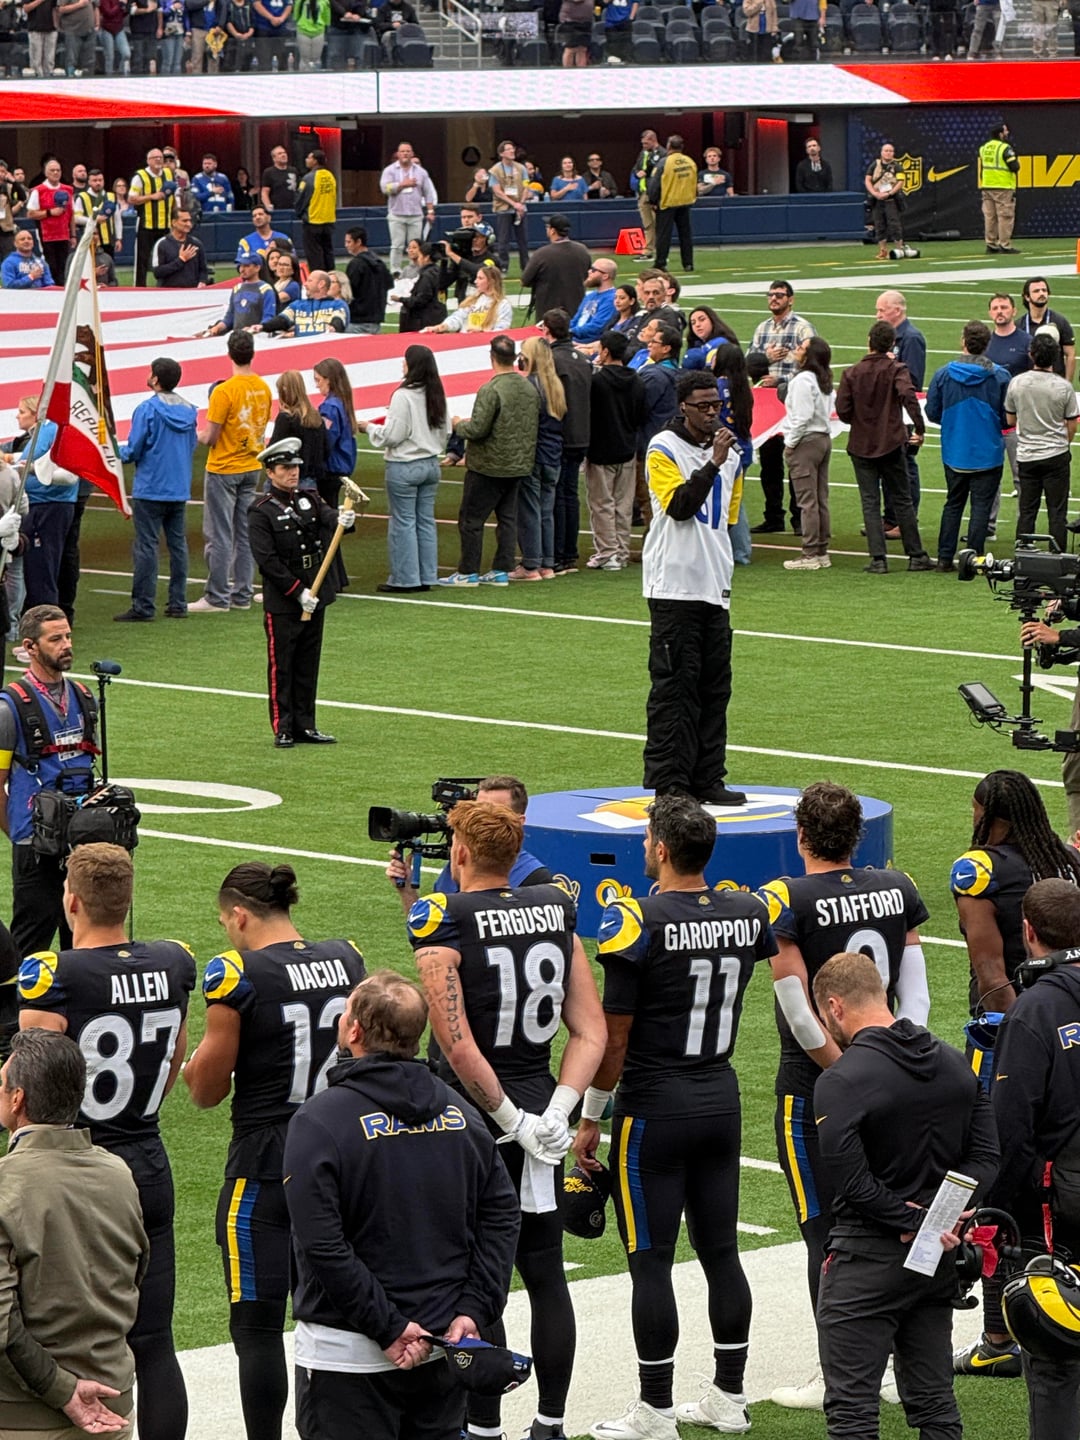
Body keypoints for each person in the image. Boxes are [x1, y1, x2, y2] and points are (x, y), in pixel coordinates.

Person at [407, 797, 606, 1440]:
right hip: (540, 1097)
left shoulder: (444, 915)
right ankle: (551, 1424)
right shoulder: (554, 907)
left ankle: (485, 1427)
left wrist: (510, 1120)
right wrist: (557, 1110)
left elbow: (457, 1042)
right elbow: (591, 1030)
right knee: (545, 1273)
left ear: (460, 852)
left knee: (475, 1274)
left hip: (470, 1113)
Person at [578, 794, 775, 1440]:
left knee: (652, 1261)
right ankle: (730, 1398)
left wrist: (591, 1116)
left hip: (655, 1107)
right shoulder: (747, 911)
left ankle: (656, 1409)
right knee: (721, 1253)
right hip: (720, 1096)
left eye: (646, 841)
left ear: (661, 849)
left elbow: (616, 1038)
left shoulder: (637, 919)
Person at [284, 971, 521, 1440]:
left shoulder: (318, 1121)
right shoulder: (463, 1114)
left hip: (348, 1360)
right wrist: (474, 1309)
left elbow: (323, 1245)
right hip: (439, 1349)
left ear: (354, 1031)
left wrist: (389, 1327)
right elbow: (502, 1216)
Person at [756, 782, 930, 1411]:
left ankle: (840, 1371)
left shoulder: (786, 897)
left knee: (824, 1232)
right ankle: (899, 1363)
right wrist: (893, 1063)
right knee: (889, 1217)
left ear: (802, 835)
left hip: (816, 1089)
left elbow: (801, 1015)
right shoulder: (896, 886)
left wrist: (848, 1072)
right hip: (893, 1082)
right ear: (857, 836)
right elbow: (917, 997)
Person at [18, 843, 195, 1440]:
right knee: (154, 1342)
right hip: (146, 1156)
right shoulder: (172, 962)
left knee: (58, 1337)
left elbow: (31, 1091)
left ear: (70, 900)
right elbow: (170, 1063)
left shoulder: (56, 975)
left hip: (72, 1170)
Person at [183, 865, 366, 1439]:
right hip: (339, 1158)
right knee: (342, 1318)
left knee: (258, 1331)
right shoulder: (347, 959)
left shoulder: (238, 973)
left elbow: (206, 1092)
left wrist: (189, 1065)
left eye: (225, 921)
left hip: (263, 1166)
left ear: (239, 915)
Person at [812, 952, 999, 1440]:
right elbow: (986, 1157)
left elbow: (852, 1182)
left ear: (834, 1007)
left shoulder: (840, 1079)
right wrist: (942, 1219)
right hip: (934, 1261)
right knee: (936, 1405)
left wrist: (914, 1222)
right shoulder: (954, 1063)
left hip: (866, 1261)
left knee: (852, 1415)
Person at [949, 771, 1080, 1378]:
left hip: (1014, 1036)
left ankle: (1001, 1333)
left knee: (999, 1177)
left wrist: (1024, 1027)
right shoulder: (1063, 858)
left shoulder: (979, 868)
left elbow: (990, 968)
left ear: (987, 813)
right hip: (1069, 1027)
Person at [0, 1027, 149, 1436]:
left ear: (18, 1099)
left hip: (26, 1421)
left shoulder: (6, 1184)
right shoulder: (119, 1174)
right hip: (113, 1405)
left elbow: (3, 1328)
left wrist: (63, 1391)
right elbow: (134, 1274)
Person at [984, 878, 1080, 1433]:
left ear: (1028, 932)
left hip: (1059, 1212)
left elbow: (1010, 1131)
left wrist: (996, 1213)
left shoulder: (1035, 1011)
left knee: (1055, 1353)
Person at [642, 371, 745, 806]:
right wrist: (713, 463)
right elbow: (681, 507)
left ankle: (708, 776)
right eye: (702, 406)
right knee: (675, 689)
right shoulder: (662, 448)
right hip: (673, 586)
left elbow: (728, 519)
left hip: (714, 584)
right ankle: (670, 782)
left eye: (716, 405)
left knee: (714, 688)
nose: (711, 413)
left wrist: (722, 459)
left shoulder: (733, 455)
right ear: (683, 406)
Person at [0, 606, 97, 968]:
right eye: (55, 639)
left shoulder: (85, 697)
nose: (66, 644)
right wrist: (21, 837)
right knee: (30, 949)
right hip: (35, 846)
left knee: (85, 946)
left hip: (83, 841)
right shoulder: (9, 708)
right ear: (30, 647)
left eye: (68, 636)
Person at [246, 438, 353, 747]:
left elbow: (328, 518)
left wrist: (343, 520)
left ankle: (306, 725)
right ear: (270, 472)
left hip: (316, 591)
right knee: (283, 665)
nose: (293, 472)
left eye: (295, 467)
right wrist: (298, 592)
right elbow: (267, 561)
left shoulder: (309, 498)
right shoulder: (261, 511)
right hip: (285, 598)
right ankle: (283, 727)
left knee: (308, 662)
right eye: (285, 468)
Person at [443, 334, 540, 588]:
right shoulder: (528, 388)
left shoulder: (491, 389)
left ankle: (468, 571)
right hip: (518, 464)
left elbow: (478, 429)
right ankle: (501, 569)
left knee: (471, 519)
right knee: (507, 518)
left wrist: (458, 425)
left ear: (492, 357)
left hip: (489, 466)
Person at [835, 320, 930, 574]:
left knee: (870, 501)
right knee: (902, 499)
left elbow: (843, 410)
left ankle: (878, 558)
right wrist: (919, 428)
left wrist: (859, 419)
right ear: (891, 344)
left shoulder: (851, 373)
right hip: (890, 441)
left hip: (861, 443)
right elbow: (908, 396)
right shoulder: (896, 369)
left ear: (869, 341)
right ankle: (916, 554)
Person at [191, 329, 271, 614]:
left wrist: (195, 434)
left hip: (224, 467)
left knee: (219, 534)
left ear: (229, 354)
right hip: (252, 464)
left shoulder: (224, 391)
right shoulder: (263, 388)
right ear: (252, 353)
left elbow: (211, 436)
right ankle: (242, 593)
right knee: (244, 533)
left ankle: (217, 596)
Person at [359, 345, 449, 594]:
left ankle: (405, 578)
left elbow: (394, 435)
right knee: (425, 521)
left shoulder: (403, 395)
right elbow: (447, 430)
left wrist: (369, 428)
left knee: (403, 522)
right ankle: (427, 574)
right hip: (431, 462)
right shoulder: (436, 393)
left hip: (405, 465)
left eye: (405, 360)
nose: (402, 364)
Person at [115, 357, 197, 623]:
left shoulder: (147, 409)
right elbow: (192, 445)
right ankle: (178, 602)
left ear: (156, 379)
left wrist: (113, 452)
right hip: (178, 487)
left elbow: (134, 449)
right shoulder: (189, 411)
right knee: (178, 546)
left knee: (147, 546)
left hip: (151, 487)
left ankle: (143, 605)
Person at [926, 320, 1010, 571]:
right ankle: (974, 560)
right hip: (988, 452)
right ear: (987, 344)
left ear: (963, 342)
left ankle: (944, 558)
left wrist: (954, 423)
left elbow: (932, 411)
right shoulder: (1000, 376)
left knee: (953, 503)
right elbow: (1008, 417)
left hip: (955, 450)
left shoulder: (943, 374)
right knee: (981, 508)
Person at [748, 280, 816, 535]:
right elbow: (749, 362)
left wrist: (782, 379)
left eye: (779, 294)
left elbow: (812, 364)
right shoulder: (762, 329)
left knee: (796, 461)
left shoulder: (802, 328)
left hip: (792, 403)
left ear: (791, 299)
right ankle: (773, 516)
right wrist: (765, 359)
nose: (774, 298)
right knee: (769, 464)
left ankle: (799, 518)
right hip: (767, 404)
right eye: (771, 294)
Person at [1007, 330, 1079, 553]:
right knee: (1057, 511)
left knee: (1027, 510)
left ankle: (1023, 553)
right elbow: (1072, 424)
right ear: (1056, 357)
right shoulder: (1063, 387)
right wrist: (1062, 443)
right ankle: (1058, 557)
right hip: (1056, 454)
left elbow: (1010, 419)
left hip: (1027, 455)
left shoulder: (1017, 383)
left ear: (1031, 355)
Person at [585, 331, 646, 573]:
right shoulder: (637, 380)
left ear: (606, 351)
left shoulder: (597, 381)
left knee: (602, 504)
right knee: (623, 504)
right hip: (627, 448)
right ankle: (620, 551)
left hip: (601, 450)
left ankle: (607, 552)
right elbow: (640, 416)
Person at [513, 335, 566, 581]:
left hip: (535, 454)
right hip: (554, 454)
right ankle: (547, 563)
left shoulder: (529, 386)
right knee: (546, 510)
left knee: (530, 510)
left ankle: (531, 564)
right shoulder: (555, 385)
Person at [544, 308, 592, 576]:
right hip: (581, 434)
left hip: (561, 435)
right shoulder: (581, 359)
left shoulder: (552, 360)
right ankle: (569, 554)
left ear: (547, 330)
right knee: (570, 494)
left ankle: (559, 554)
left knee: (558, 495)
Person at [782, 336, 834, 572]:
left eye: (801, 347)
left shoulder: (803, 380)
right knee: (820, 498)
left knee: (807, 501)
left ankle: (810, 552)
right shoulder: (823, 380)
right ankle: (821, 551)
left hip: (806, 442)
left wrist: (790, 443)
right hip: (822, 439)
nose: (797, 349)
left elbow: (802, 417)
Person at [379, 142, 437, 277]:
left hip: (415, 214)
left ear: (412, 154)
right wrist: (401, 185)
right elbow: (384, 188)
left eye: (407, 151)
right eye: (402, 151)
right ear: (398, 154)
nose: (405, 154)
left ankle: (415, 270)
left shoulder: (421, 172)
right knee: (397, 245)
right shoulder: (389, 171)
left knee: (416, 246)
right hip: (396, 214)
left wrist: (430, 211)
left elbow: (428, 192)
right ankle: (395, 271)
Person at [521, 214, 592, 324]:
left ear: (553, 231)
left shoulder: (542, 254)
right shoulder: (582, 250)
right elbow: (587, 275)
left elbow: (525, 280)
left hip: (548, 312)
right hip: (576, 310)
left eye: (547, 227)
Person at [269, 371, 330, 498]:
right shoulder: (316, 418)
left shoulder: (286, 418)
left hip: (287, 479)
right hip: (311, 480)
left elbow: (273, 450)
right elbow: (326, 449)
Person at [129, 147, 178, 287]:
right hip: (146, 224)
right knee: (142, 259)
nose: (158, 160)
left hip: (165, 224)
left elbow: (173, 196)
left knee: (168, 256)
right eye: (155, 158)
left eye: (160, 158)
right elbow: (132, 199)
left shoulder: (169, 173)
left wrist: (175, 215)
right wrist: (152, 196)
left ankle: (168, 285)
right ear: (148, 161)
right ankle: (139, 287)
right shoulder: (140, 176)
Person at [313, 355, 358, 506]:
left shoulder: (330, 407)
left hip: (331, 468)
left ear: (328, 380)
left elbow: (326, 439)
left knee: (325, 509)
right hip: (341, 465)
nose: (317, 385)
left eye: (318, 380)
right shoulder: (342, 402)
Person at [648, 135, 698, 274]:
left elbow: (654, 184)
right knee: (685, 234)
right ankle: (688, 263)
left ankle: (660, 263)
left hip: (667, 202)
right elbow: (694, 182)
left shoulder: (664, 162)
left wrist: (652, 200)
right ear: (682, 147)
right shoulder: (690, 162)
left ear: (669, 146)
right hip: (685, 201)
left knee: (663, 235)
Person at [202, 252, 277, 337]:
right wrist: (217, 328)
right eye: (241, 266)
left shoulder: (266, 289)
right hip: (237, 337)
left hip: (257, 337)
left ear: (257, 268)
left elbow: (269, 317)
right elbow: (230, 317)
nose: (242, 269)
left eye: (246, 266)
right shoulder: (237, 289)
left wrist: (256, 328)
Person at [423, 263, 512, 334]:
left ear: (491, 282)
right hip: (466, 341)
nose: (475, 281)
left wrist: (482, 332)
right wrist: (443, 326)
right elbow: (458, 317)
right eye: (476, 278)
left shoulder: (503, 304)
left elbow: (502, 329)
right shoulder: (472, 300)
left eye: (480, 278)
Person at [1018, 276, 1076, 382]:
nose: (1041, 293)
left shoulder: (1060, 321)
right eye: (1036, 291)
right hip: (1028, 383)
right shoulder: (1019, 325)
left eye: (1044, 290)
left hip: (1055, 382)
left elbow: (1070, 354)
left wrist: (1067, 383)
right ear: (1027, 296)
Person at [25, 158, 73, 286]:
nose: (56, 173)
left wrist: (73, 235)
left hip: (64, 234)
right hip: (47, 234)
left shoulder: (68, 190)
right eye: (52, 170)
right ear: (46, 173)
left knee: (64, 265)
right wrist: (50, 212)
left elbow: (71, 214)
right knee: (51, 264)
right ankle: (51, 287)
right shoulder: (38, 190)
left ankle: (62, 288)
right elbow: (30, 213)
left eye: (58, 170)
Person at [259, 269, 349, 336]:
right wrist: (262, 327)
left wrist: (333, 328)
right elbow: (282, 320)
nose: (305, 284)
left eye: (309, 281)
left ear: (321, 284)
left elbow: (338, 323)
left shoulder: (338, 305)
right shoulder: (297, 305)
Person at [979, 122, 1021, 254]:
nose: (1007, 133)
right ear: (1000, 134)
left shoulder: (984, 148)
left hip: (987, 185)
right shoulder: (1005, 148)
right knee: (1005, 216)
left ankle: (991, 244)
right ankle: (1005, 245)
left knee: (990, 217)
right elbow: (1014, 166)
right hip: (1003, 186)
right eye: (1005, 131)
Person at [489, 140, 530, 273]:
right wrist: (513, 204)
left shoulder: (521, 168)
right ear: (501, 153)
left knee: (523, 240)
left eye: (513, 149)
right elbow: (497, 191)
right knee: (503, 241)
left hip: (520, 208)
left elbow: (526, 186)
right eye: (508, 149)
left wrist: (521, 204)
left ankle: (526, 266)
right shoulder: (495, 170)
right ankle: (503, 267)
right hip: (503, 209)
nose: (512, 151)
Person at [342, 225, 392, 333]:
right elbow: (389, 283)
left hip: (357, 320)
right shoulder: (379, 262)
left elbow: (348, 291)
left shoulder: (356, 264)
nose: (346, 245)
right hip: (376, 319)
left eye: (349, 242)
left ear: (358, 242)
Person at [294, 148, 337, 274]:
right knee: (328, 252)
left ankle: (318, 278)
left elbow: (301, 199)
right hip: (329, 220)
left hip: (313, 220)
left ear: (315, 161)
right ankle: (331, 276)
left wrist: (299, 213)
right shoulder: (330, 176)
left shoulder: (308, 178)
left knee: (314, 254)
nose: (306, 160)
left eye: (309, 157)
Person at [865, 142, 905, 261]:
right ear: (881, 152)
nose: (888, 153)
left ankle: (899, 249)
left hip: (891, 199)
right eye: (886, 151)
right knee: (879, 225)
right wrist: (874, 193)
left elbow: (900, 182)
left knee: (894, 224)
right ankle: (883, 250)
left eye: (890, 151)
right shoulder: (875, 165)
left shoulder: (897, 166)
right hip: (877, 199)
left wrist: (890, 193)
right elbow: (867, 180)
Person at [396, 242, 447, 333]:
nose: (418, 259)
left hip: (425, 320)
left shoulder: (426, 275)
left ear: (426, 257)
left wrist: (400, 299)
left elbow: (420, 300)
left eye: (419, 256)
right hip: (438, 315)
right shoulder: (439, 272)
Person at [150, 210, 209, 289]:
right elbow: (158, 272)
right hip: (169, 292)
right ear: (174, 222)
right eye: (184, 221)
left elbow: (203, 270)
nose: (189, 224)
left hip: (192, 292)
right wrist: (181, 260)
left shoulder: (197, 244)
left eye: (190, 221)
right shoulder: (162, 244)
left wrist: (202, 281)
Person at [631, 131, 665, 263]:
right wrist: (637, 173)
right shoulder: (643, 153)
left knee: (659, 224)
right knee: (648, 223)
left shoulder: (663, 154)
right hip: (643, 192)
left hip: (656, 193)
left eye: (646, 143)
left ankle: (661, 252)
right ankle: (648, 251)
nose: (644, 146)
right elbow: (636, 167)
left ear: (653, 140)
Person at [567, 258, 619, 344]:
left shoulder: (612, 299)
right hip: (574, 339)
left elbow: (597, 327)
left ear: (605, 276)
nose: (589, 271)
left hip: (589, 344)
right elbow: (575, 320)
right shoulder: (590, 296)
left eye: (593, 270)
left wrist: (570, 331)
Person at [683, 306, 737, 370]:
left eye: (702, 319)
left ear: (712, 320)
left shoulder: (721, 343)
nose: (697, 325)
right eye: (693, 323)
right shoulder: (696, 343)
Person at [236, 203, 289, 268]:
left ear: (269, 218)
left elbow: (292, 260)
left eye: (260, 214)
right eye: (254, 216)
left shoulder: (284, 238)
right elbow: (239, 265)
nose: (257, 217)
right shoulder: (246, 241)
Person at [260, 144, 299, 214]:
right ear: (274, 158)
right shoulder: (269, 172)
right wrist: (268, 207)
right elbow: (265, 192)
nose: (283, 155)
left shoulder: (293, 170)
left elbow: (298, 189)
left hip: (294, 209)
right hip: (277, 210)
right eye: (280, 154)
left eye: (284, 153)